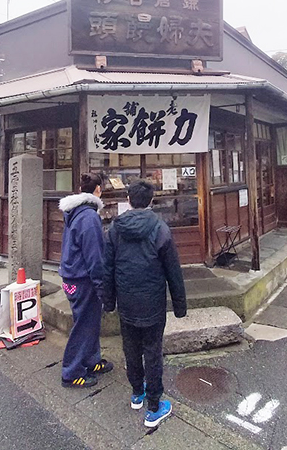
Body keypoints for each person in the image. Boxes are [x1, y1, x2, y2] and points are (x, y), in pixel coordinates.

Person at [102, 180, 187, 429]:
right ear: (151, 200)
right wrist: (180, 305)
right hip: (152, 302)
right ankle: (154, 406)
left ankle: (137, 393)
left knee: (130, 348)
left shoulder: (115, 229)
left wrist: (109, 301)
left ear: (128, 199)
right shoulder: (160, 228)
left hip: (126, 300)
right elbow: (173, 270)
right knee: (152, 351)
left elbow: (107, 268)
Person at [58, 173, 112, 388]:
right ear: (98, 189)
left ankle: (91, 360)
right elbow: (95, 257)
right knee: (84, 325)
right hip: (83, 279)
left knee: (89, 322)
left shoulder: (76, 212)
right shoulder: (89, 217)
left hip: (72, 275)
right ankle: (71, 372)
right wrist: (102, 286)